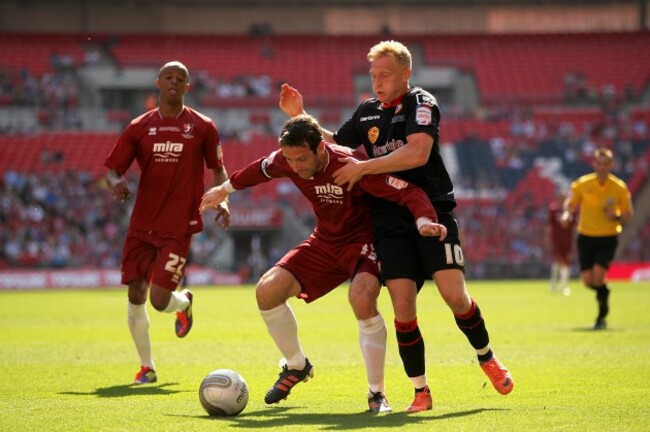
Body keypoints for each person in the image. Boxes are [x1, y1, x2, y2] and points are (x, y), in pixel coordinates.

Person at [278, 40, 513, 412]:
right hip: (387, 219)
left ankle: (487, 357)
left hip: (432, 209)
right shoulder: (367, 111)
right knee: (403, 305)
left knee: (455, 295)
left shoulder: (422, 104)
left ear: (406, 74)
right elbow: (336, 144)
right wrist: (301, 115)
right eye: (373, 75)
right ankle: (421, 391)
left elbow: (417, 152)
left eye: (385, 75)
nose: (377, 82)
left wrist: (364, 167)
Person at [199, 114, 447, 413]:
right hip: (325, 241)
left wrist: (424, 220)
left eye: (302, 159)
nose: (295, 167)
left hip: (364, 241)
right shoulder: (286, 159)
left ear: (321, 149)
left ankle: (376, 393)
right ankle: (296, 366)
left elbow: (409, 191)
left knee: (361, 297)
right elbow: (260, 170)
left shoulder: (351, 164)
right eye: (290, 160)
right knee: (267, 290)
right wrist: (224, 190)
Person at [105, 61, 230, 384]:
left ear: (187, 87)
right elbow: (113, 169)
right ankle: (147, 367)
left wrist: (223, 198)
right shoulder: (139, 127)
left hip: (179, 225)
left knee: (158, 300)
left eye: (181, 79)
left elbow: (217, 169)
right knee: (135, 293)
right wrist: (115, 181)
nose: (174, 82)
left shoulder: (202, 126)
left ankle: (183, 302)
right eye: (169, 77)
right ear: (158, 82)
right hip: (142, 224)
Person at [562, 147, 633, 330]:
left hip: (607, 237)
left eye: (605, 164)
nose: (602, 167)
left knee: (598, 276)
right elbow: (570, 203)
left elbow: (628, 214)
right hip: (585, 236)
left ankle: (601, 316)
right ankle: (604, 292)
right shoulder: (583, 184)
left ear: (611, 165)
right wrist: (566, 214)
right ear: (594, 164)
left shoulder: (619, 187)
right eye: (598, 163)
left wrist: (615, 216)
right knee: (588, 281)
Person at [547, 191, 576, 295]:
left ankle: (564, 285)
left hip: (567, 240)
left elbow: (571, 225)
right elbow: (549, 225)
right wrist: (546, 239)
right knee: (558, 260)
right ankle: (554, 285)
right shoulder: (553, 210)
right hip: (557, 240)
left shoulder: (571, 210)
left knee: (566, 262)